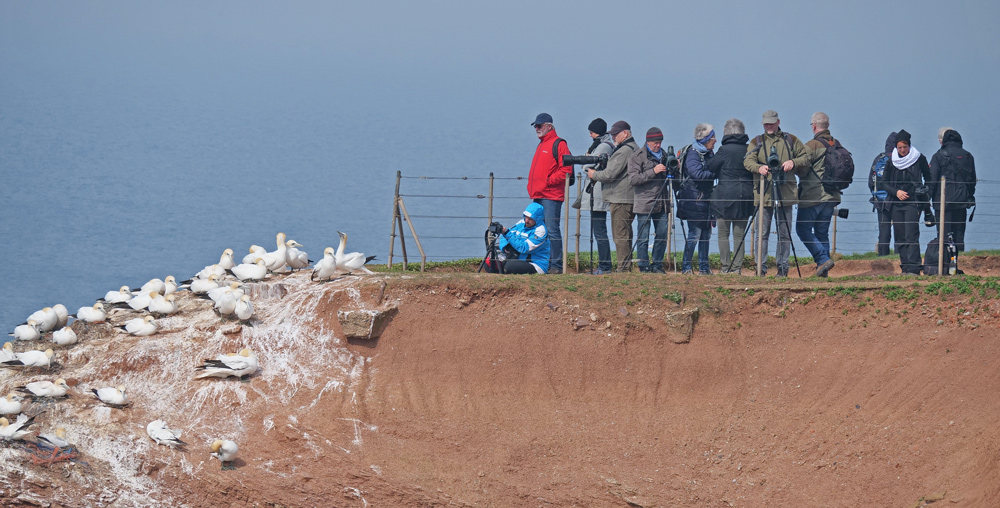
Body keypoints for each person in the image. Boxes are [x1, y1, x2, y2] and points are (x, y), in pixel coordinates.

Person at [743, 110, 810, 277]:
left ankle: (783, 269)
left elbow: (806, 157)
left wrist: (792, 162)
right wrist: (759, 167)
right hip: (763, 194)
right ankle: (761, 269)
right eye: (766, 123)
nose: (769, 126)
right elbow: (747, 160)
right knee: (761, 234)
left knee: (784, 234)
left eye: (771, 123)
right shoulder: (756, 142)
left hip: (785, 193)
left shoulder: (791, 140)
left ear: (778, 121)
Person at [879, 129, 931, 275]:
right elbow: (884, 183)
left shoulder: (919, 158)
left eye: (905, 147)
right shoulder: (892, 161)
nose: (902, 150)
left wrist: (925, 191)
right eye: (900, 147)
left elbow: (929, 177)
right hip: (896, 202)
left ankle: (914, 268)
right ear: (896, 147)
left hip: (912, 202)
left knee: (911, 235)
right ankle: (905, 267)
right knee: (900, 236)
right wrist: (896, 192)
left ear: (909, 145)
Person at [588, 121, 638, 272]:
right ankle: (625, 267)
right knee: (625, 233)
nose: (613, 137)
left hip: (620, 198)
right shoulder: (633, 148)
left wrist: (594, 174)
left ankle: (623, 269)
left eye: (616, 134)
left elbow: (610, 174)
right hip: (628, 196)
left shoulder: (624, 151)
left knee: (620, 235)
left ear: (626, 133)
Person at [797, 112, 841, 278]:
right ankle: (823, 272)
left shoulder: (812, 145)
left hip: (813, 196)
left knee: (802, 229)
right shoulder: (837, 143)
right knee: (822, 232)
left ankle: (822, 259)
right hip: (832, 196)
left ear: (814, 126)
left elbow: (802, 168)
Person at [527, 113, 572, 274]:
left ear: (549, 126)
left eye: (539, 126)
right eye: (535, 126)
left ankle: (556, 266)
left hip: (551, 195)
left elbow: (566, 170)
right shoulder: (542, 144)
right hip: (538, 194)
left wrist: (547, 181)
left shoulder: (559, 144)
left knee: (552, 230)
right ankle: (542, 263)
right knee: (539, 230)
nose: (536, 129)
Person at [709, 118, 753, 274]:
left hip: (725, 196)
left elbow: (711, 166)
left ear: (726, 133)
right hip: (746, 196)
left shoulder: (724, 150)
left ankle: (725, 267)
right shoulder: (750, 149)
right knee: (739, 235)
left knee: (723, 233)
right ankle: (737, 268)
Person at [573, 118, 615, 273]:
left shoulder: (603, 146)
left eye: (591, 132)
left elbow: (587, 165)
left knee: (599, 231)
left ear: (597, 132)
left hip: (597, 194)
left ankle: (605, 266)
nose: (590, 135)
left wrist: (586, 163)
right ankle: (604, 265)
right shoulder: (603, 144)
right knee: (599, 230)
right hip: (597, 193)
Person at [628, 127, 671, 273]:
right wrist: (653, 171)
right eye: (655, 143)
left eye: (659, 142)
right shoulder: (637, 157)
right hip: (644, 203)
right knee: (643, 237)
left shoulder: (665, 155)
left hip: (662, 201)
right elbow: (633, 179)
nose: (658, 145)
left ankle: (657, 265)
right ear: (648, 141)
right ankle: (643, 266)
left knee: (662, 235)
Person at [676, 123, 717, 275]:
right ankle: (687, 267)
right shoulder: (693, 154)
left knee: (705, 234)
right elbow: (698, 175)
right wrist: (715, 174)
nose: (715, 140)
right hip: (694, 199)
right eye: (713, 137)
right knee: (695, 234)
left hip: (703, 200)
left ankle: (704, 268)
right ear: (706, 139)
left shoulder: (707, 153)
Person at [929, 127, 976, 252]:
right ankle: (958, 263)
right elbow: (972, 180)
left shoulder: (938, 156)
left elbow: (931, 181)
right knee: (959, 235)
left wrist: (925, 202)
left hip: (943, 202)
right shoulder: (967, 156)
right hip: (961, 201)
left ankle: (944, 265)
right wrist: (969, 195)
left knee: (944, 236)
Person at [483, 202, 549, 274]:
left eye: (530, 218)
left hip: (535, 264)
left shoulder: (541, 231)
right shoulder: (521, 223)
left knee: (509, 266)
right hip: (516, 259)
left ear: (538, 219)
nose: (526, 220)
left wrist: (506, 233)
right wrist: (506, 247)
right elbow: (504, 237)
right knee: (489, 263)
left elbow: (524, 248)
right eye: (526, 216)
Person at [870, 132, 898, 256]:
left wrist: (875, 194)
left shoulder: (878, 158)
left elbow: (871, 181)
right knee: (900, 229)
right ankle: (899, 255)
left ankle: (882, 256)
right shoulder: (900, 158)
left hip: (880, 200)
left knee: (884, 229)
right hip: (897, 199)